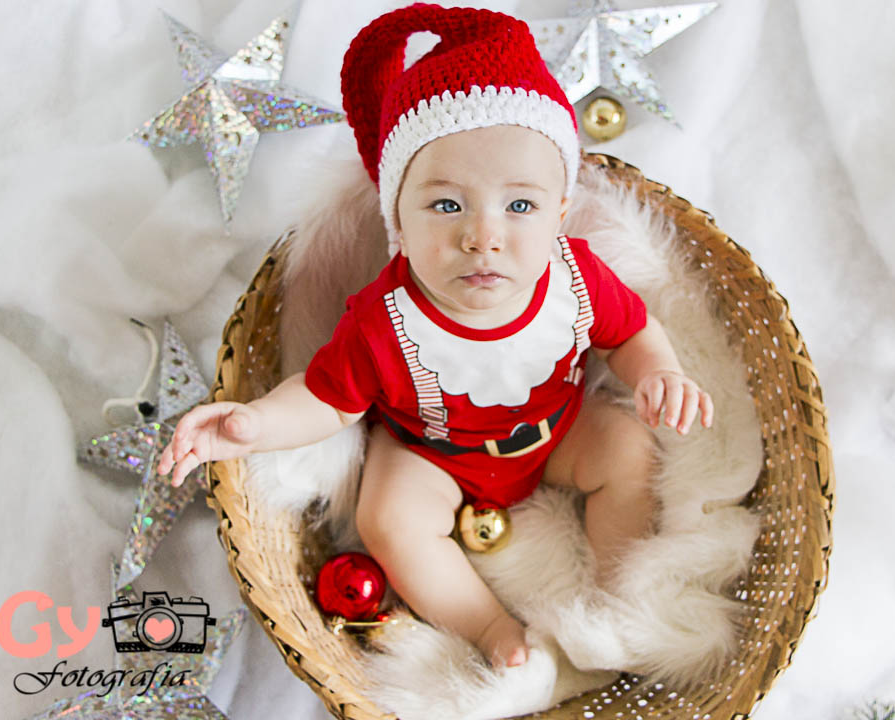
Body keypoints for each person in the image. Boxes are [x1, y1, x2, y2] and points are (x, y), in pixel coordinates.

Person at [158, 3, 713, 671]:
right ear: (398, 215)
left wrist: (658, 372)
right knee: (388, 518)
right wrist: (254, 424)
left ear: (560, 211)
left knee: (627, 447)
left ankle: (614, 599)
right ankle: (490, 627)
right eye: (446, 205)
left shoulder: (576, 279)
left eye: (520, 205)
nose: (482, 235)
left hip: (555, 433)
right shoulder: (386, 319)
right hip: (432, 452)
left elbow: (631, 333)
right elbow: (328, 398)